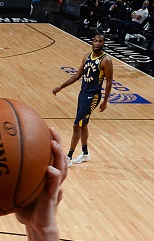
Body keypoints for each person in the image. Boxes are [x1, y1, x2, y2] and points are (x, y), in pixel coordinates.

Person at [53, 33, 113, 166]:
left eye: (100, 41)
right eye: (95, 41)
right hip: (83, 94)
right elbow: (77, 75)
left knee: (76, 125)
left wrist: (105, 101)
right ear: (92, 42)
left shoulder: (106, 60)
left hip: (93, 96)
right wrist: (61, 87)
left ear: (103, 43)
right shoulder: (86, 56)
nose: (97, 43)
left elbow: (109, 81)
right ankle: (85, 154)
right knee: (83, 124)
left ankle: (69, 157)